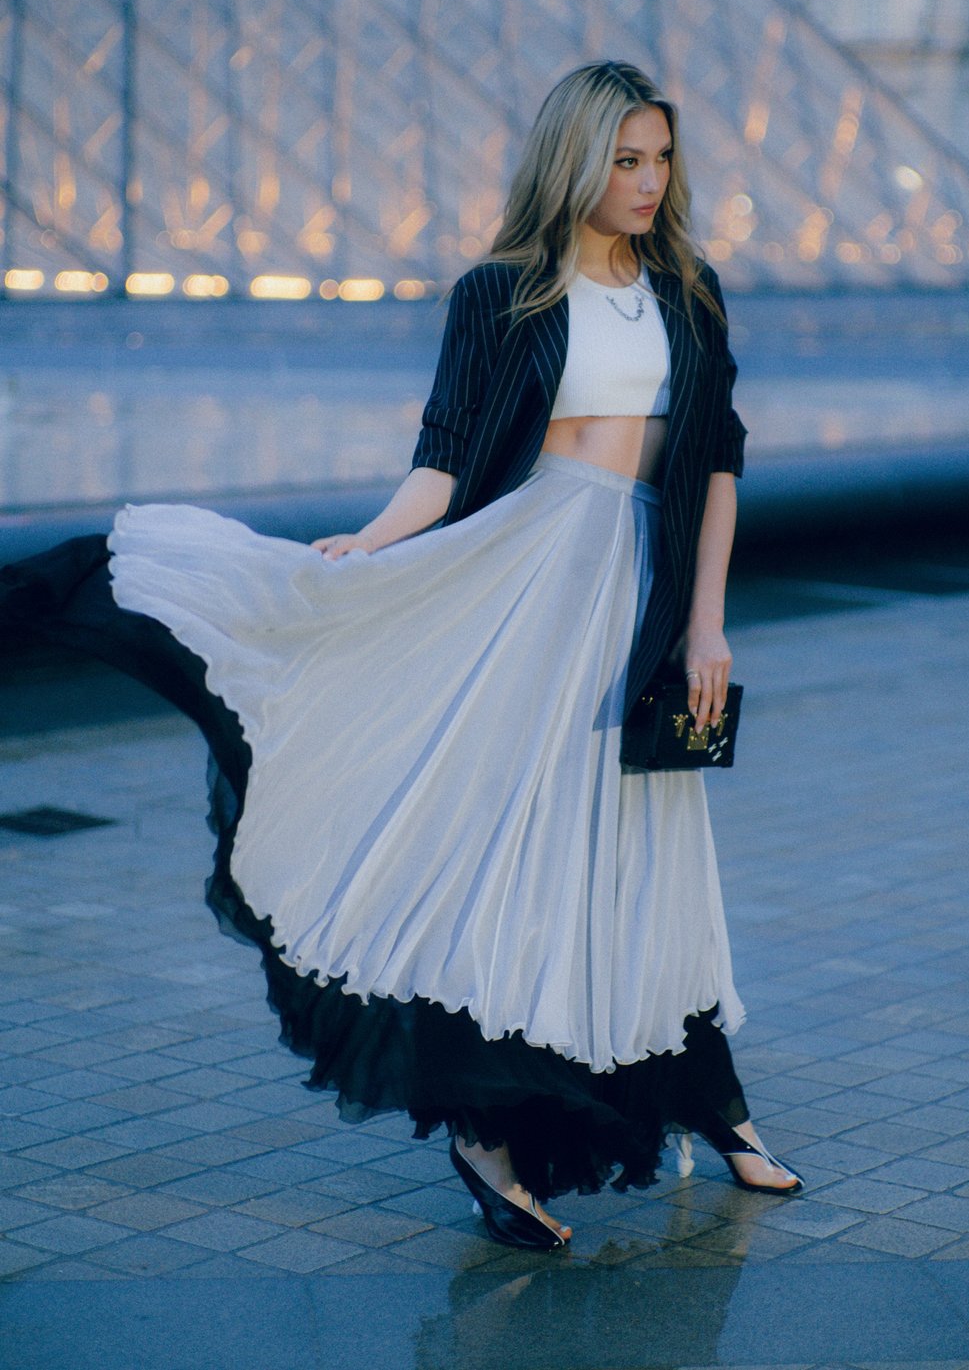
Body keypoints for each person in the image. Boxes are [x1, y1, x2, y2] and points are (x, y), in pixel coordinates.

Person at [1, 60, 800, 1254]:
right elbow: (440, 460)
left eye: (661, 158)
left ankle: (708, 1097)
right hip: (524, 580)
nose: (648, 181)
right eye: (624, 159)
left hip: (638, 592)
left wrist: (706, 619)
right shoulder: (502, 293)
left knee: (645, 851)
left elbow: (719, 459)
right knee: (499, 844)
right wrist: (366, 547)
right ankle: (484, 1132)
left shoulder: (689, 290)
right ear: (574, 160)